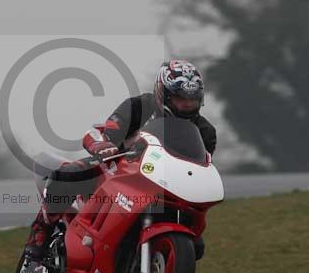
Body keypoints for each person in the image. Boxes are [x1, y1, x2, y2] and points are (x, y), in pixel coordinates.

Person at [24, 60, 217, 259]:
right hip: (119, 170)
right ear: (164, 94)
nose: (187, 105)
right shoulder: (140, 107)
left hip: (165, 185)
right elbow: (108, 130)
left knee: (196, 246)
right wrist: (104, 145)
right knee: (69, 174)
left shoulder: (205, 132)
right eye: (180, 98)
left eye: (193, 99)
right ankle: (41, 229)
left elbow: (200, 167)